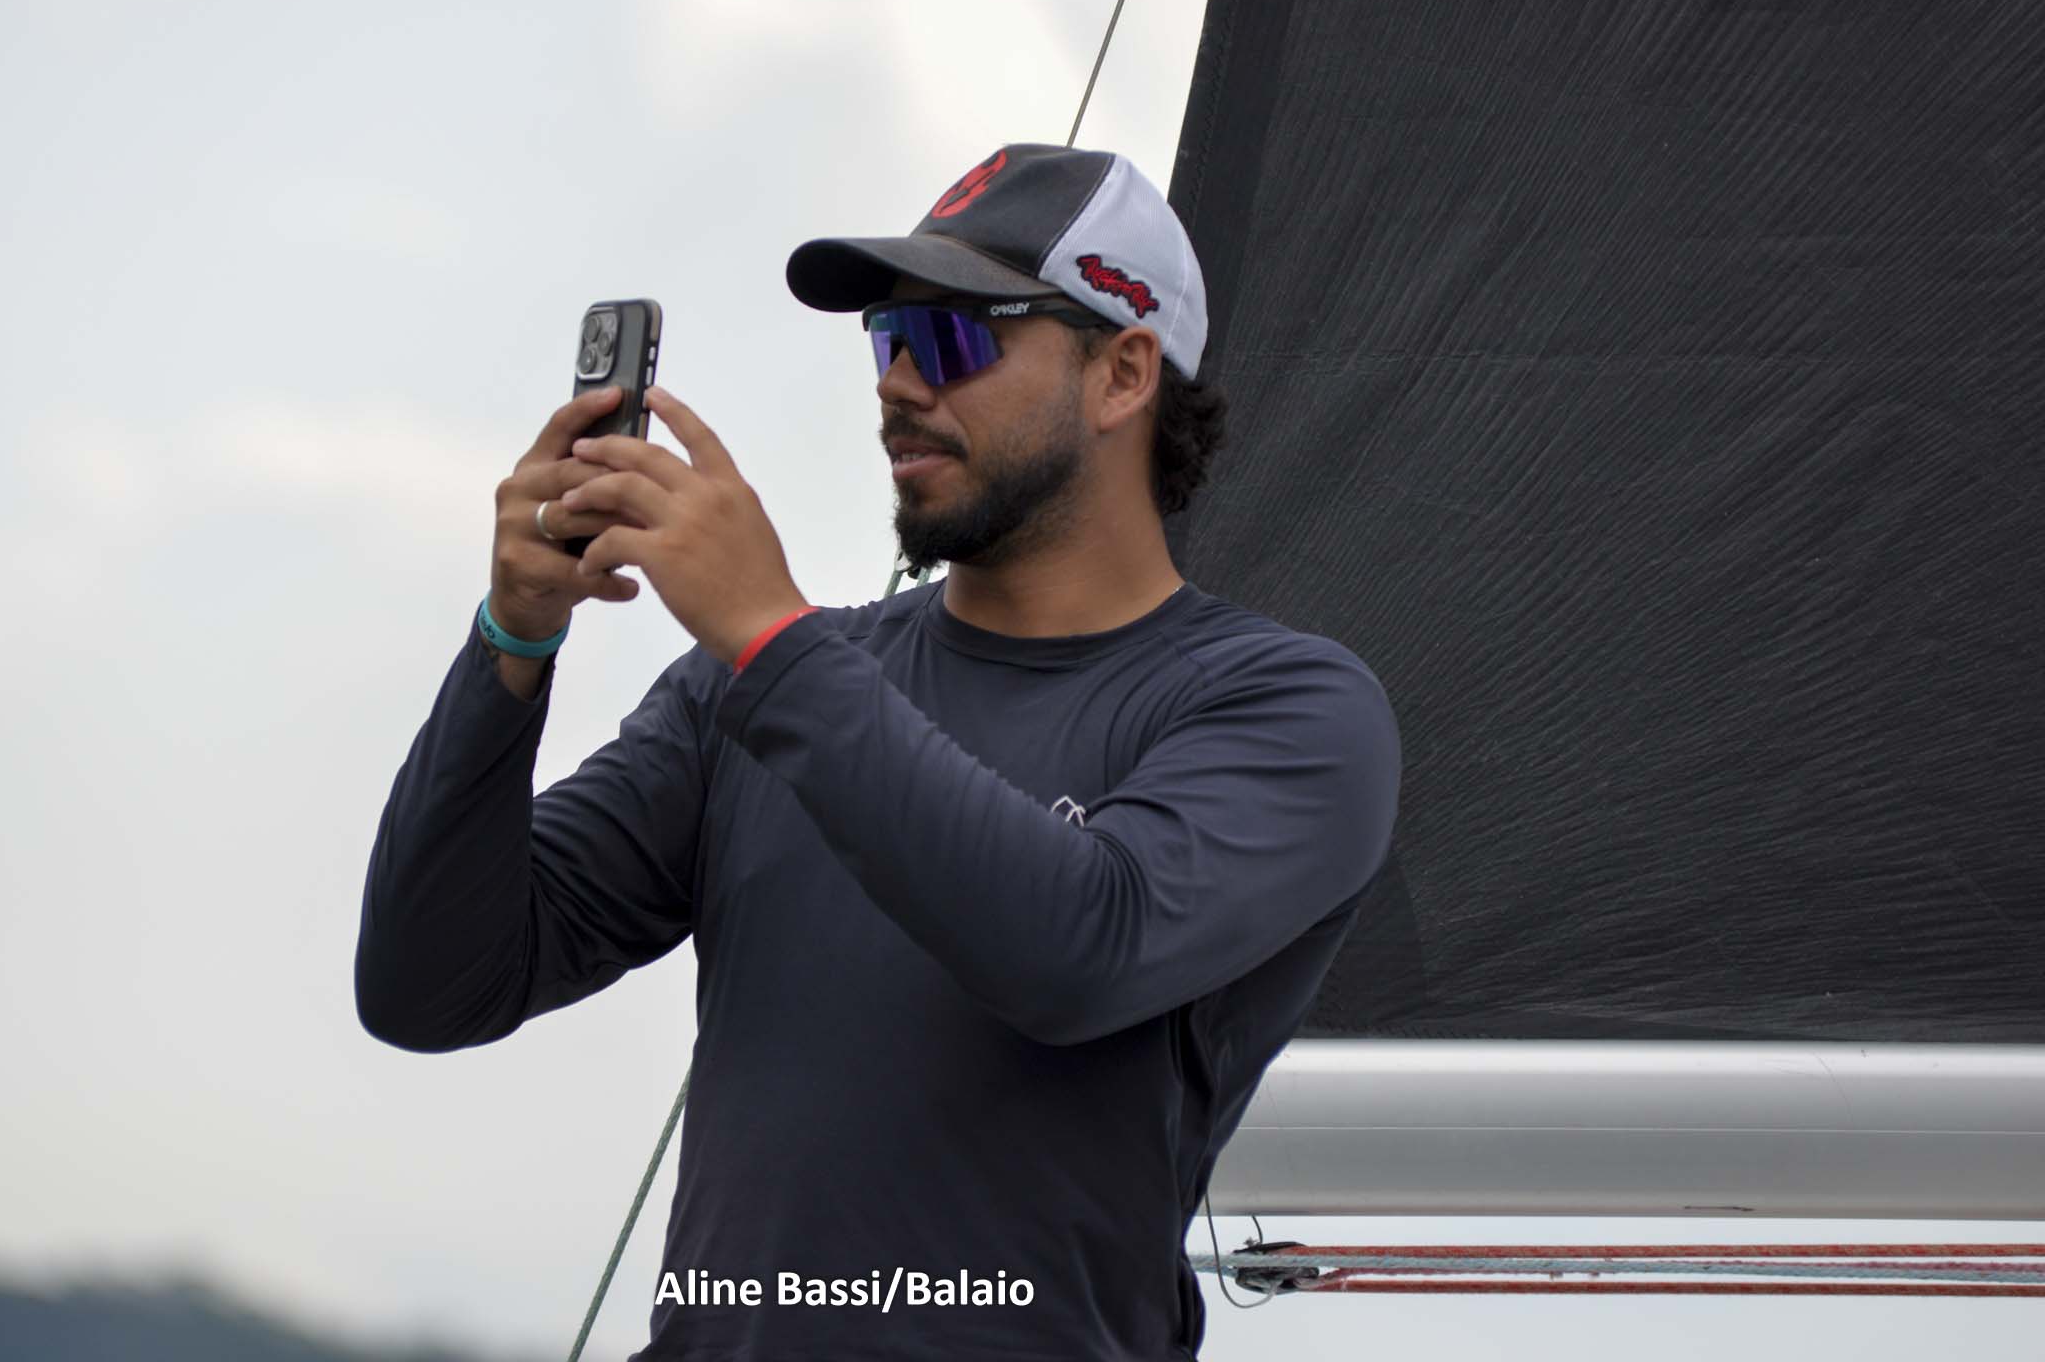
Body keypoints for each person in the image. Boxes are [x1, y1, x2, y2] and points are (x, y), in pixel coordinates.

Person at [354, 143, 1402, 1360]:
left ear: (1122, 373)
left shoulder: (1290, 707)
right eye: (887, 338)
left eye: (951, 339)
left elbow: (1077, 949)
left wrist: (768, 634)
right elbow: (431, 986)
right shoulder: (747, 691)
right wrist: (514, 637)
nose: (898, 384)